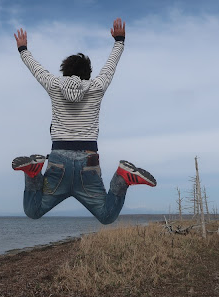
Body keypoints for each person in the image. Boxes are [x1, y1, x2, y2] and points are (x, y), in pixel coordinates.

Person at [12, 18, 156, 225]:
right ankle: (123, 178)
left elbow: (37, 70)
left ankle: (33, 172)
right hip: (88, 162)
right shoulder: (96, 87)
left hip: (58, 160)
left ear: (64, 72)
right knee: (106, 216)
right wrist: (119, 41)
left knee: (33, 211)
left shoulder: (54, 85)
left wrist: (23, 49)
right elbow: (110, 66)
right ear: (88, 74)